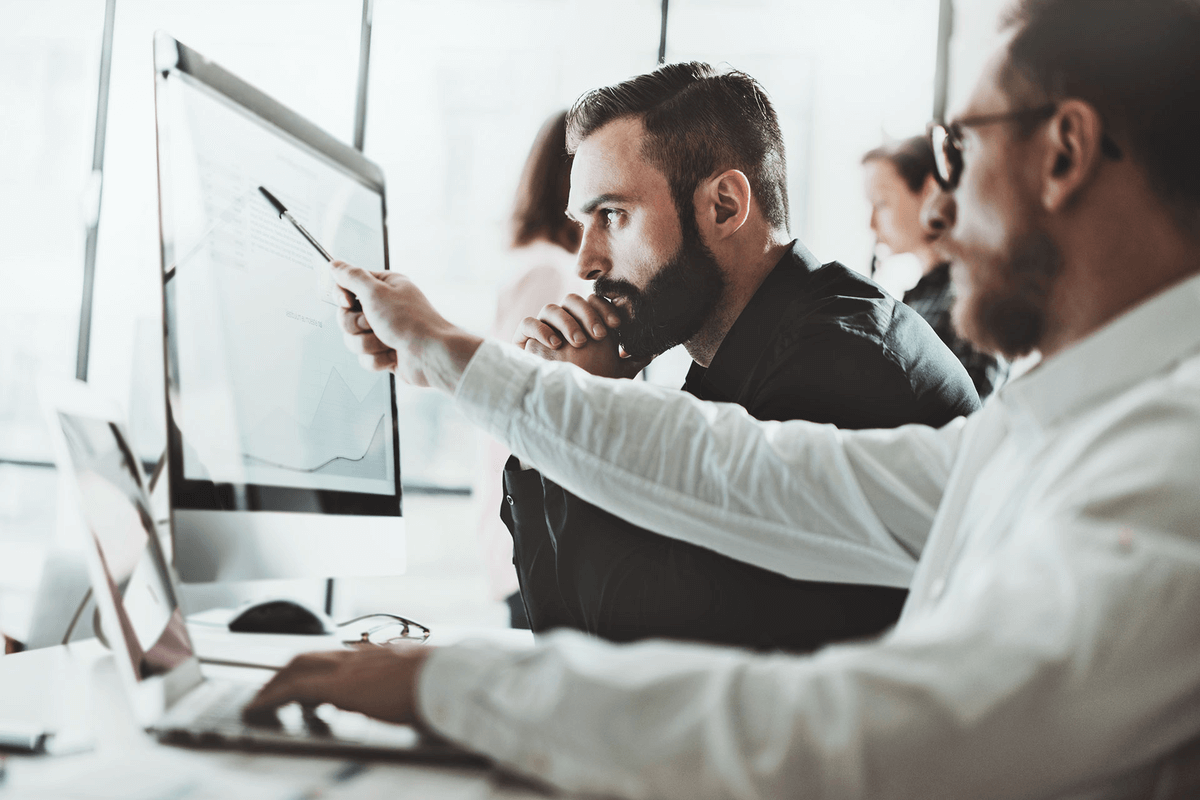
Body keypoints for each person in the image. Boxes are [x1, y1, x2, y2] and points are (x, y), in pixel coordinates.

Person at [249, 0, 1200, 796]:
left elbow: (855, 732)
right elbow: (747, 471)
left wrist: (458, 685)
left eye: (958, 150)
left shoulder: (1168, 469)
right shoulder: (1052, 427)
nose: (937, 210)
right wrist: (457, 359)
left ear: (1066, 151)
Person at [501, 63, 979, 653]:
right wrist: (544, 434)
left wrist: (590, 413)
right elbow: (563, 636)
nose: (586, 262)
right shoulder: (725, 363)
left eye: (614, 216)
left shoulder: (841, 367)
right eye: (583, 223)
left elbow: (647, 661)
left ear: (724, 206)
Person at [473, 110, 590, 628]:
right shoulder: (550, 273)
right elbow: (524, 406)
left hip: (527, 528)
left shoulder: (541, 266)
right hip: (536, 530)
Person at [863, 135, 1008, 398]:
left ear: (929, 191)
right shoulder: (923, 296)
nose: (871, 224)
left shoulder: (968, 299)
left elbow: (968, 413)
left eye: (881, 203)